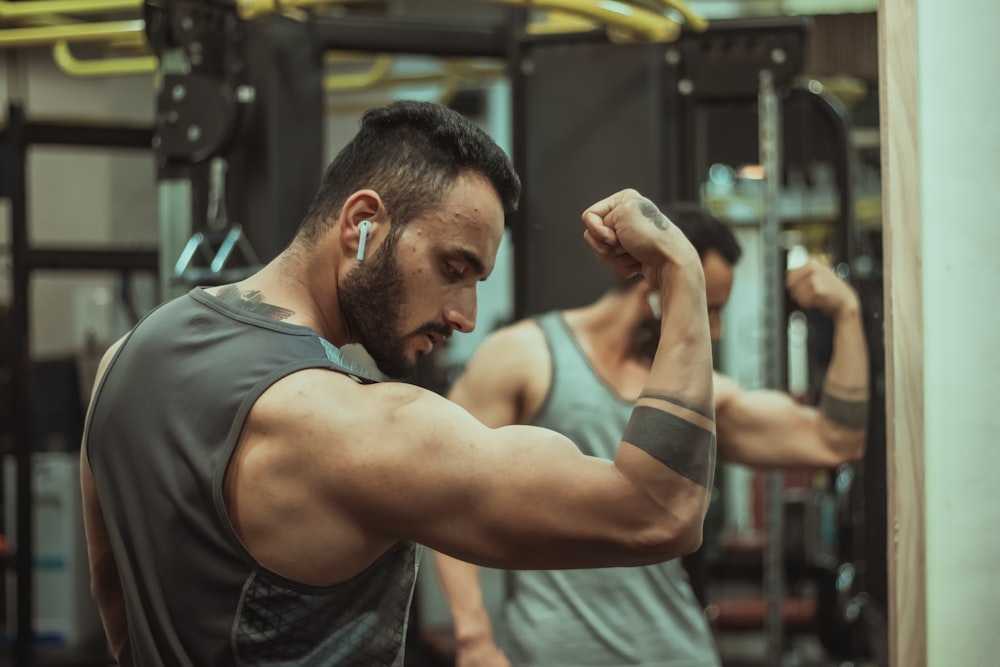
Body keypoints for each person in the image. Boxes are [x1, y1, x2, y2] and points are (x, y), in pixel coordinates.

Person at [80, 100, 721, 667]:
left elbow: (118, 611)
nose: (464, 317)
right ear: (365, 222)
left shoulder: (125, 361)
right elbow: (661, 512)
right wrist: (681, 274)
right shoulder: (360, 427)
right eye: (454, 267)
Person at [433, 203, 870, 667]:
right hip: (554, 653)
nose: (714, 329)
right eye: (709, 309)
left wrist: (846, 314)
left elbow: (834, 440)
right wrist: (474, 635)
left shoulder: (696, 400)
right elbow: (444, 492)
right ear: (658, 285)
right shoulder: (523, 356)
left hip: (675, 652)